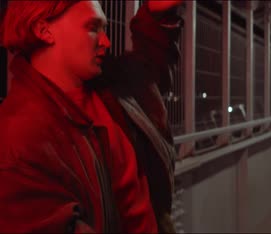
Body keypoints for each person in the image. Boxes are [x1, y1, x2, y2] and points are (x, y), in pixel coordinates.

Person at [0, 1, 183, 232]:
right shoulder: (18, 141)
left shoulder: (107, 88)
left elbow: (149, 67)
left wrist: (158, 13)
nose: (106, 41)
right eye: (92, 27)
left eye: (104, 28)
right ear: (43, 30)